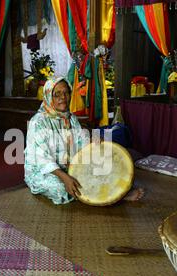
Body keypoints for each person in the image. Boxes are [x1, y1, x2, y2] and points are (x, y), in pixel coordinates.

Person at [24, 77, 144, 205]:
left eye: (66, 92)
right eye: (57, 94)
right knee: (60, 188)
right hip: (43, 171)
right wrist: (65, 178)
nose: (63, 97)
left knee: (102, 168)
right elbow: (41, 157)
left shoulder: (70, 118)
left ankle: (116, 195)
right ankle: (116, 198)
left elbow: (82, 140)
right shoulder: (38, 122)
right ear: (48, 96)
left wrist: (94, 142)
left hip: (69, 165)